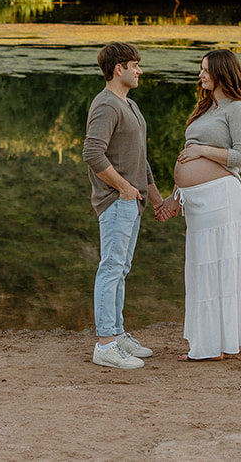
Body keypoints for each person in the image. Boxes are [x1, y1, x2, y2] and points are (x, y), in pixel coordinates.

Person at [158, 48, 241, 361]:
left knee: (219, 269)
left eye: (205, 70)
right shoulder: (205, 109)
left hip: (222, 198)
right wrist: (175, 197)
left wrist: (203, 150)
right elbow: (188, 155)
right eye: (200, 69)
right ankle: (208, 343)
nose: (200, 75)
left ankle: (219, 344)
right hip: (197, 203)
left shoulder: (237, 108)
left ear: (221, 73)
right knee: (201, 270)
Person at [83, 41, 175, 369]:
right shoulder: (107, 104)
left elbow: (141, 161)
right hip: (116, 201)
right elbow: (92, 153)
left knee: (121, 269)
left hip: (132, 203)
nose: (139, 70)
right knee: (111, 268)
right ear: (118, 69)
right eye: (134, 65)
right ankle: (105, 344)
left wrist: (157, 200)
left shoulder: (131, 106)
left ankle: (118, 334)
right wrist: (123, 187)